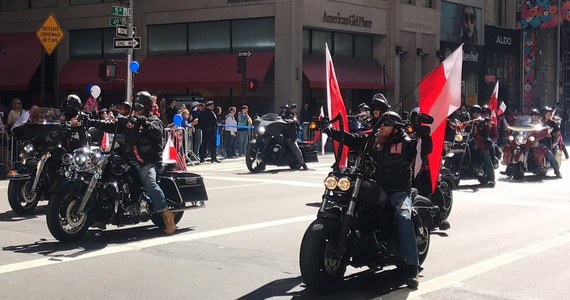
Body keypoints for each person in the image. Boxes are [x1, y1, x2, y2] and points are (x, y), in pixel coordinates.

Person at [321, 111, 430, 289]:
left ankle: (412, 267)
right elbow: (352, 139)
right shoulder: (375, 142)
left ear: (395, 129)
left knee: (403, 218)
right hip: (376, 187)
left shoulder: (407, 144)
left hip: (398, 191)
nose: (380, 129)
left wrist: (423, 133)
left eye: (384, 126)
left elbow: (425, 149)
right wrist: (329, 131)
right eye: (379, 125)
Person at [124, 91, 176, 235]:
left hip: (149, 160)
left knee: (149, 181)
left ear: (147, 107)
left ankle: (166, 215)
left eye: (140, 107)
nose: (137, 110)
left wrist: (143, 121)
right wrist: (93, 123)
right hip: (130, 159)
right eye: (136, 107)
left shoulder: (154, 120)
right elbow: (114, 125)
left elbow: (157, 131)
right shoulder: (132, 120)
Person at [468, 105, 496, 186]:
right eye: (473, 112)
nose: (474, 114)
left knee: (487, 160)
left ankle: (491, 179)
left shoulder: (484, 121)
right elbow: (462, 126)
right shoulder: (469, 121)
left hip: (482, 144)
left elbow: (489, 128)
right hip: (471, 144)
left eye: (476, 112)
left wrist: (485, 125)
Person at [281, 103, 308, 170]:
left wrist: (291, 121)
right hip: (283, 135)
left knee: (297, 150)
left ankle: (303, 164)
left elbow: (295, 121)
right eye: (283, 108)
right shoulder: (281, 115)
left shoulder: (292, 115)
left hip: (291, 136)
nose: (284, 110)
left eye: (285, 108)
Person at [540, 106, 562, 178]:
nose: (548, 115)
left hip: (548, 142)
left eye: (550, 114)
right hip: (538, 141)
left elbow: (557, 133)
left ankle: (557, 171)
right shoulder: (539, 122)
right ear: (544, 114)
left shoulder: (552, 123)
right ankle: (509, 169)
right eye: (547, 114)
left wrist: (552, 135)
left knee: (549, 154)